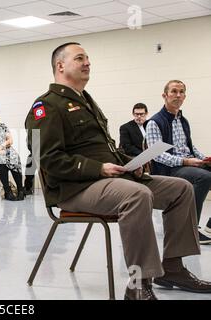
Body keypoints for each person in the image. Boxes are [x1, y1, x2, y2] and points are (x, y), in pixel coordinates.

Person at [25, 42, 211, 300]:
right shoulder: (44, 107)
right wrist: (98, 168)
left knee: (181, 188)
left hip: (110, 179)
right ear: (60, 66)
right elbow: (44, 159)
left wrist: (130, 163)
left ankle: (172, 269)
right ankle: (138, 284)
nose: (87, 62)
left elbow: (106, 149)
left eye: (88, 57)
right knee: (136, 195)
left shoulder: (87, 101)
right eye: (80, 58)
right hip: (75, 188)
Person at [146, 80, 211, 245]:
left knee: (205, 172)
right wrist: (186, 161)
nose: (178, 95)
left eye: (181, 92)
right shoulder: (155, 122)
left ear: (185, 96)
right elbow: (157, 156)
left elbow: (190, 146)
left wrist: (203, 159)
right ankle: (189, 229)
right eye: (174, 91)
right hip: (168, 169)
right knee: (203, 178)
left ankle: (210, 227)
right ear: (165, 95)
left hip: (186, 163)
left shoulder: (183, 120)